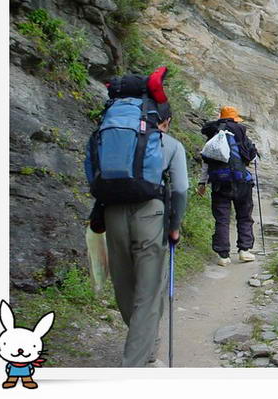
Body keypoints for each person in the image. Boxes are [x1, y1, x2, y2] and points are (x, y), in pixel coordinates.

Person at [104, 101, 189, 366]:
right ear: (166, 121)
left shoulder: (112, 137)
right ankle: (135, 363)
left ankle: (144, 339)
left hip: (112, 212)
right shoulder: (171, 145)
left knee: (124, 284)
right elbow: (180, 189)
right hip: (151, 215)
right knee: (149, 291)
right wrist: (174, 226)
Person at [199, 106, 258, 266]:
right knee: (244, 216)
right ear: (234, 119)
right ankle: (244, 250)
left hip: (219, 183)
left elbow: (206, 162)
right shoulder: (240, 132)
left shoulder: (213, 135)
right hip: (241, 182)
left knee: (222, 219)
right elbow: (252, 157)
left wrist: (202, 183)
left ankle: (223, 256)